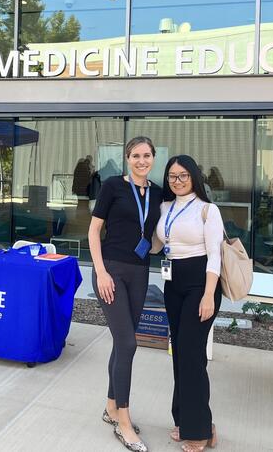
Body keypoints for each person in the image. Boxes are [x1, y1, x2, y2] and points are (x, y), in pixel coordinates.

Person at [88, 136, 163, 452]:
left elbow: (156, 238)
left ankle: (110, 407)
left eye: (147, 155)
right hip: (111, 272)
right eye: (136, 155)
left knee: (123, 342)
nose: (141, 160)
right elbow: (93, 231)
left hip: (140, 272)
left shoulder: (158, 193)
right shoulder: (112, 187)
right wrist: (101, 271)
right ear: (127, 158)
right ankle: (124, 421)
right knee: (129, 344)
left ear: (153, 158)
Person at [155, 155, 224, 452]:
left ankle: (201, 431)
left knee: (192, 356)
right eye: (172, 176)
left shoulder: (208, 210)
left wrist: (209, 295)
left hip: (201, 285)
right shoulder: (164, 207)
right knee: (179, 353)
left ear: (194, 177)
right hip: (173, 284)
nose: (178, 181)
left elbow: (215, 256)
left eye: (183, 175)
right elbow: (159, 242)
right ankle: (185, 419)